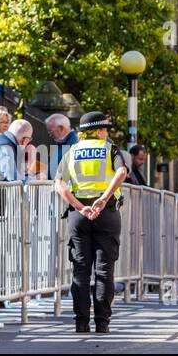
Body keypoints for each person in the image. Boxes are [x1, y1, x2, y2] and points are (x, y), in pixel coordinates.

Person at [55, 111, 129, 334]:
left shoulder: (72, 152)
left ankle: (81, 323)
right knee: (104, 271)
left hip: (80, 216)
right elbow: (122, 172)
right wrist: (104, 197)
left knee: (80, 271)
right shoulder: (110, 149)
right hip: (105, 213)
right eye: (105, 129)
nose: (107, 133)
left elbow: (59, 184)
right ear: (97, 131)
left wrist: (79, 206)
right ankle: (102, 324)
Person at [44, 113, 77, 179]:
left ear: (61, 128)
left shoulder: (75, 144)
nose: (50, 135)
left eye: (50, 131)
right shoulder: (62, 143)